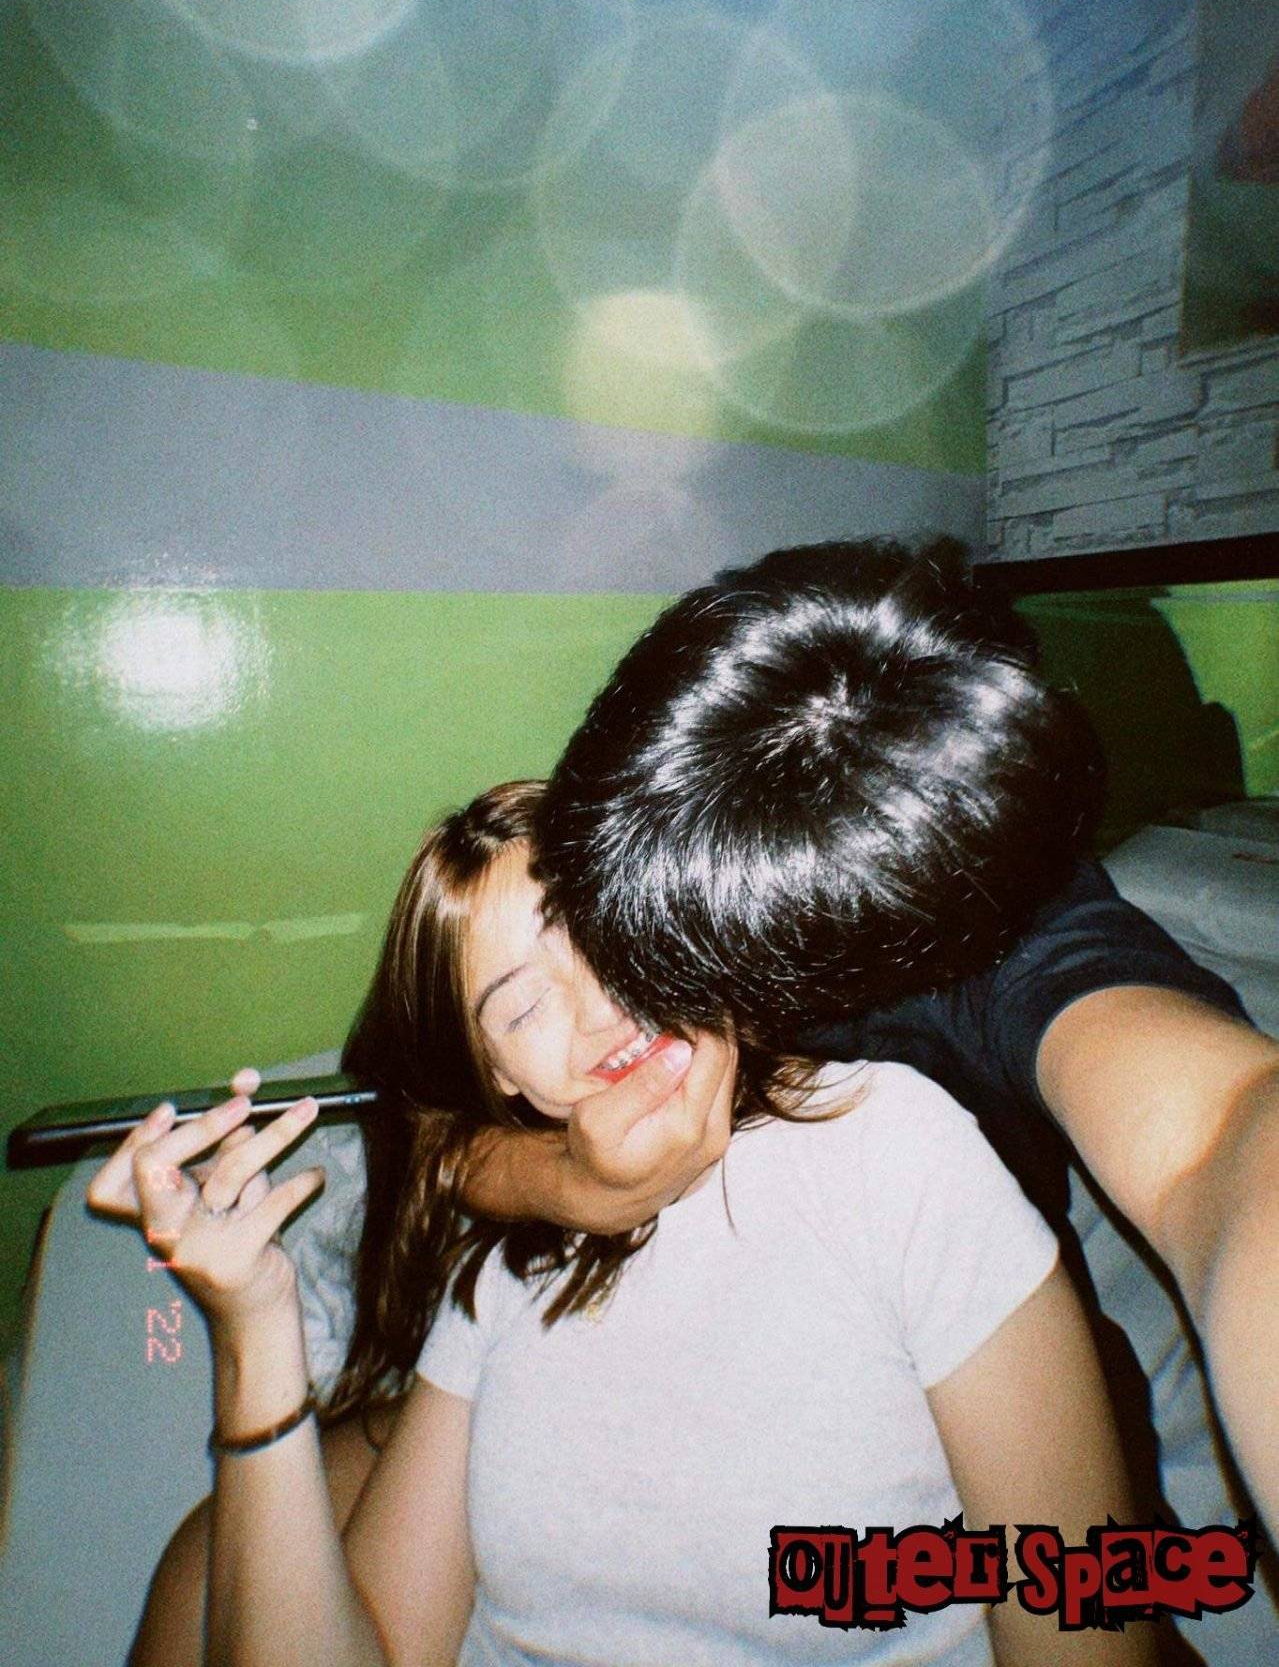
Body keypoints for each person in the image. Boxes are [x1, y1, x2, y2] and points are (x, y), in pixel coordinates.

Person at [92, 783, 1156, 1667]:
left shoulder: (890, 1146)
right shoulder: (508, 1266)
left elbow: (1078, 1620)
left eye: (600, 930)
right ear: (503, 1082)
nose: (598, 1009)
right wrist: (254, 1330)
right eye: (522, 1005)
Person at [454, 538, 1279, 1554]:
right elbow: (432, 1136)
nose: (607, 995)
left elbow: (1215, 1135)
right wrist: (568, 1182)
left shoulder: (996, 934)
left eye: (651, 950)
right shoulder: (672, 821)